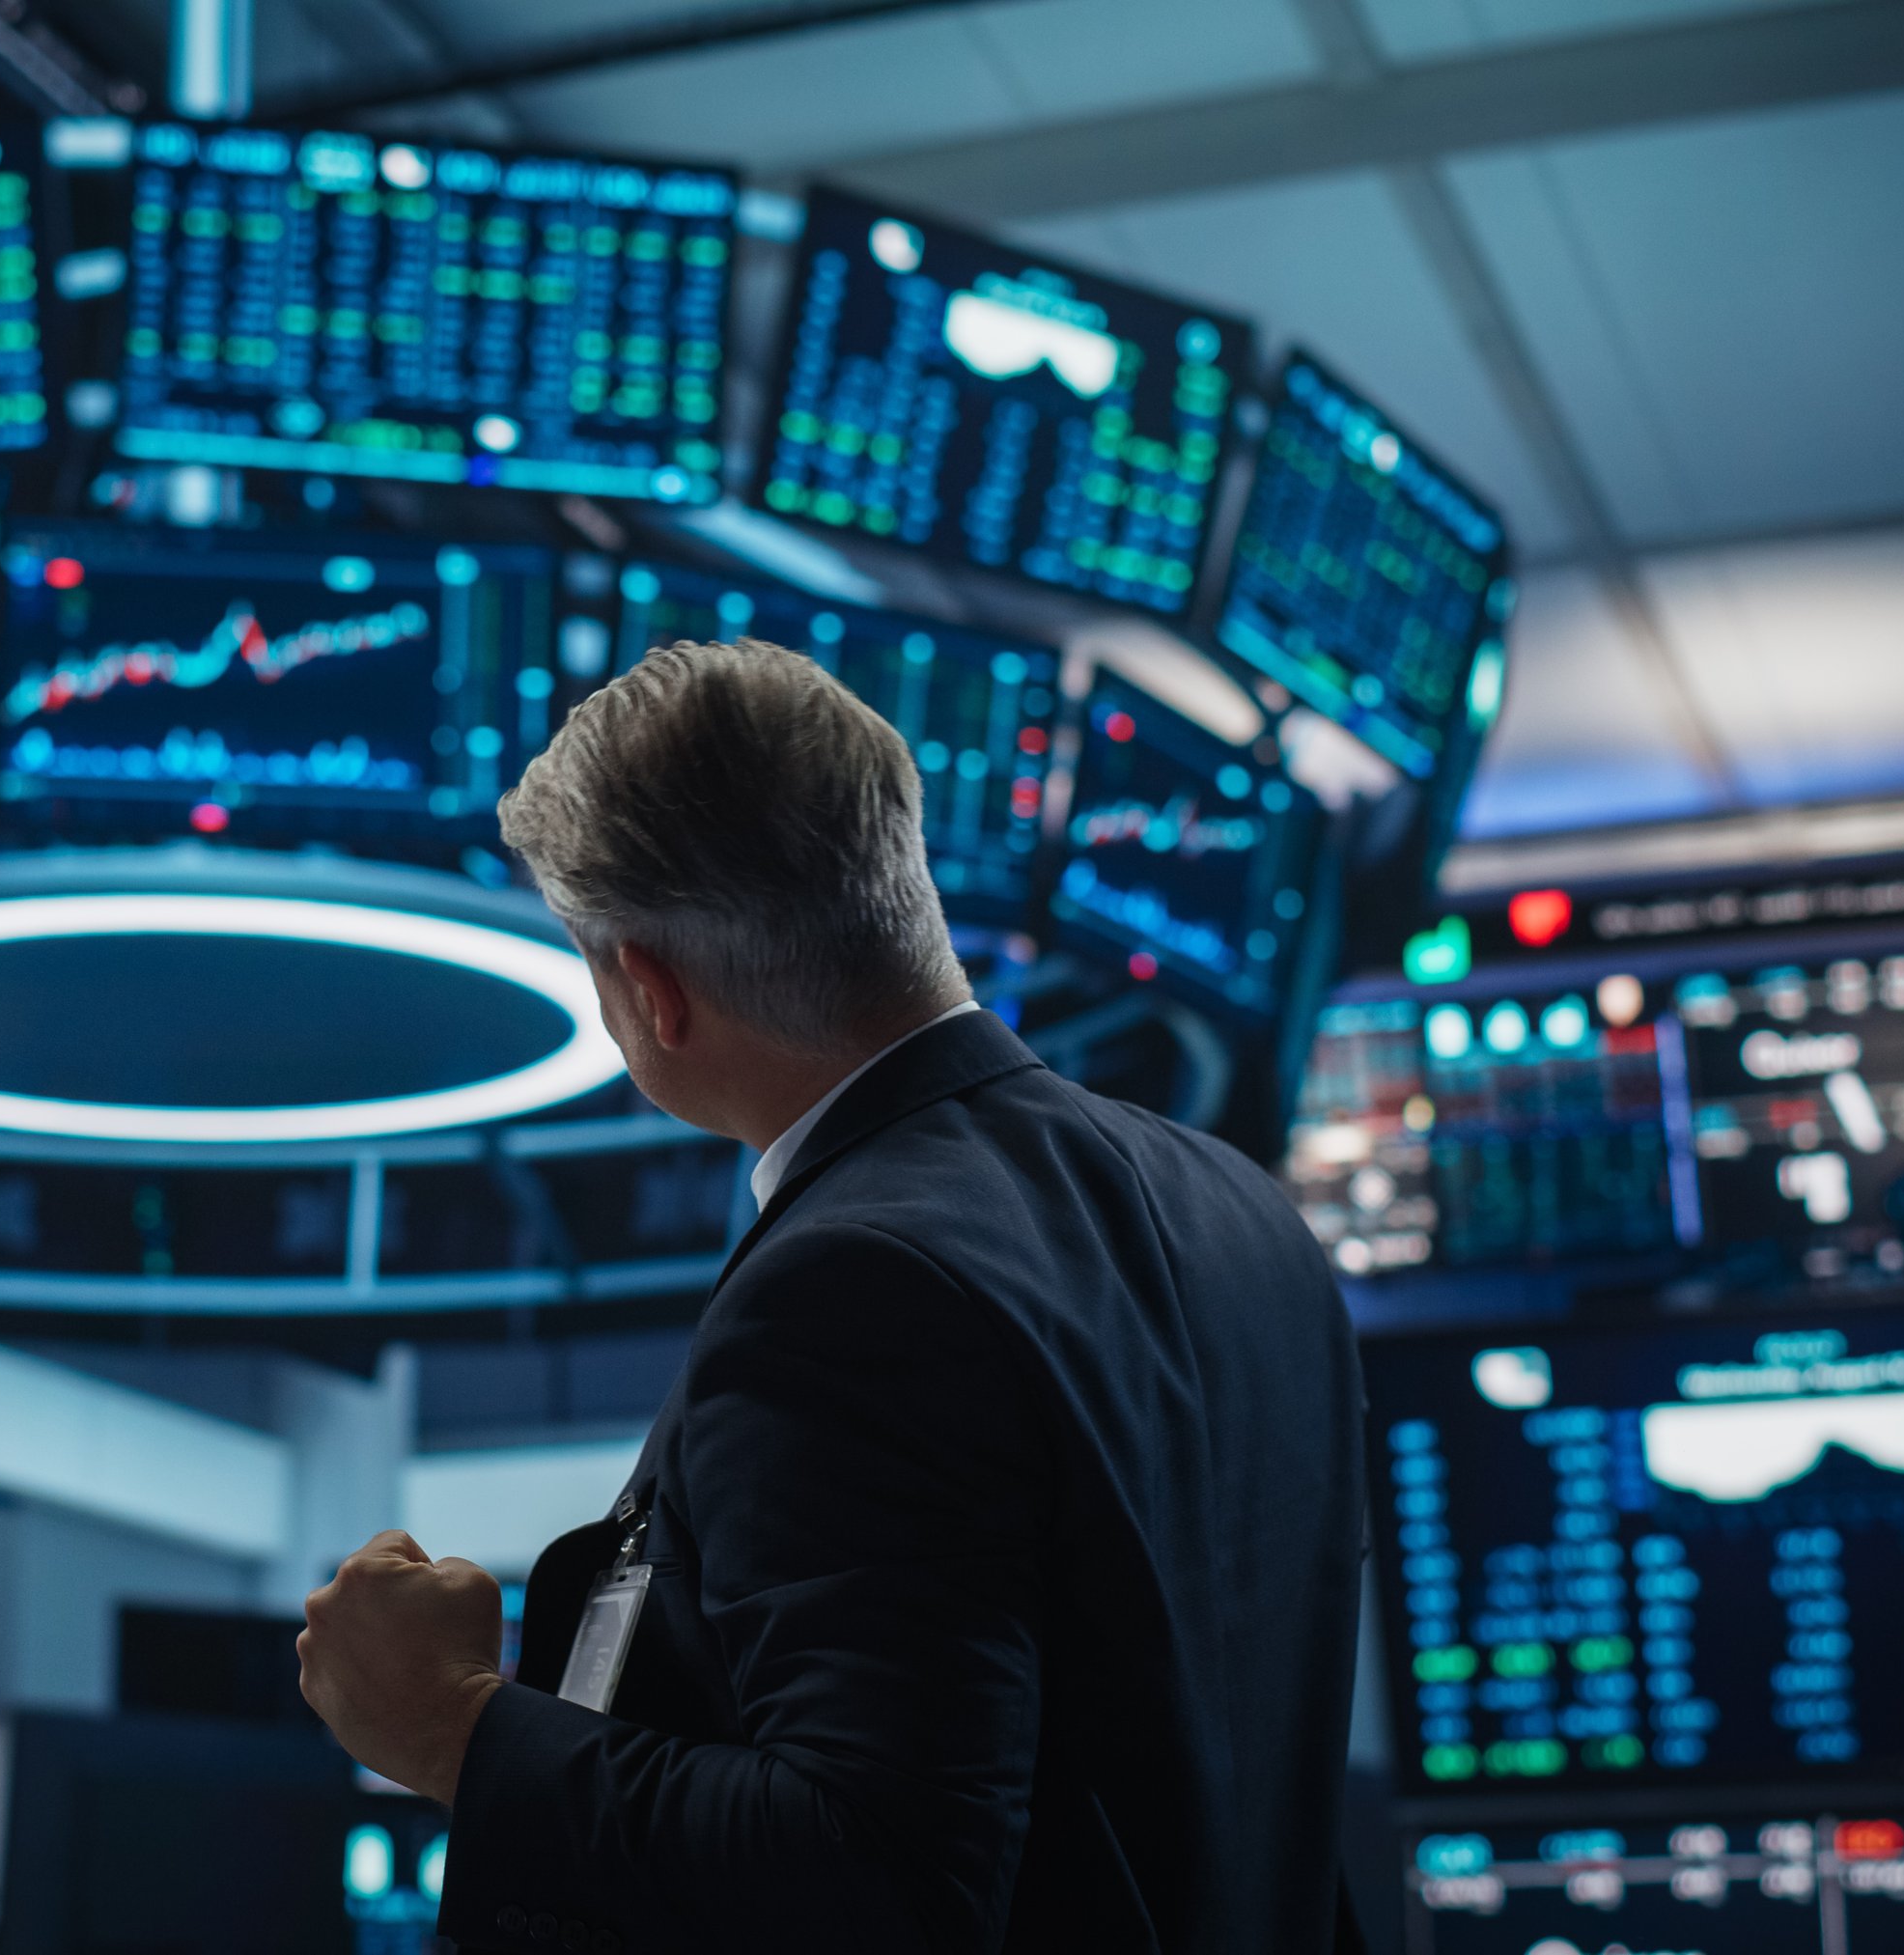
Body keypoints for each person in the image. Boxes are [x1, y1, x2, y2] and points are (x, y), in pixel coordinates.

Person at [294, 639, 1368, 1953]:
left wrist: (455, 1726)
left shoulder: (850, 1287)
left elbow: (884, 1873)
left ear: (650, 988)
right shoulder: (1247, 1218)